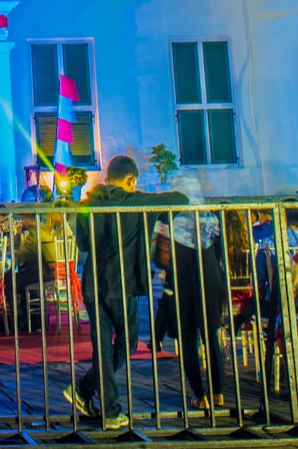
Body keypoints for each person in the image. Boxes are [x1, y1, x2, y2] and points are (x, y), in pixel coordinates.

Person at [69, 155, 157, 430]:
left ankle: (101, 404)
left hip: (93, 283)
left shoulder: (87, 205)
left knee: (103, 347)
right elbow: (180, 200)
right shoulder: (134, 202)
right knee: (127, 342)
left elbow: (82, 243)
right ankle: (89, 392)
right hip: (121, 283)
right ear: (130, 180)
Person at [160, 174, 232, 413]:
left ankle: (200, 395)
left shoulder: (170, 220)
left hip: (182, 282)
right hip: (209, 280)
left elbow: (161, 260)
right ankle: (218, 392)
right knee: (210, 336)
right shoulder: (210, 218)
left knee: (188, 340)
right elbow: (221, 254)